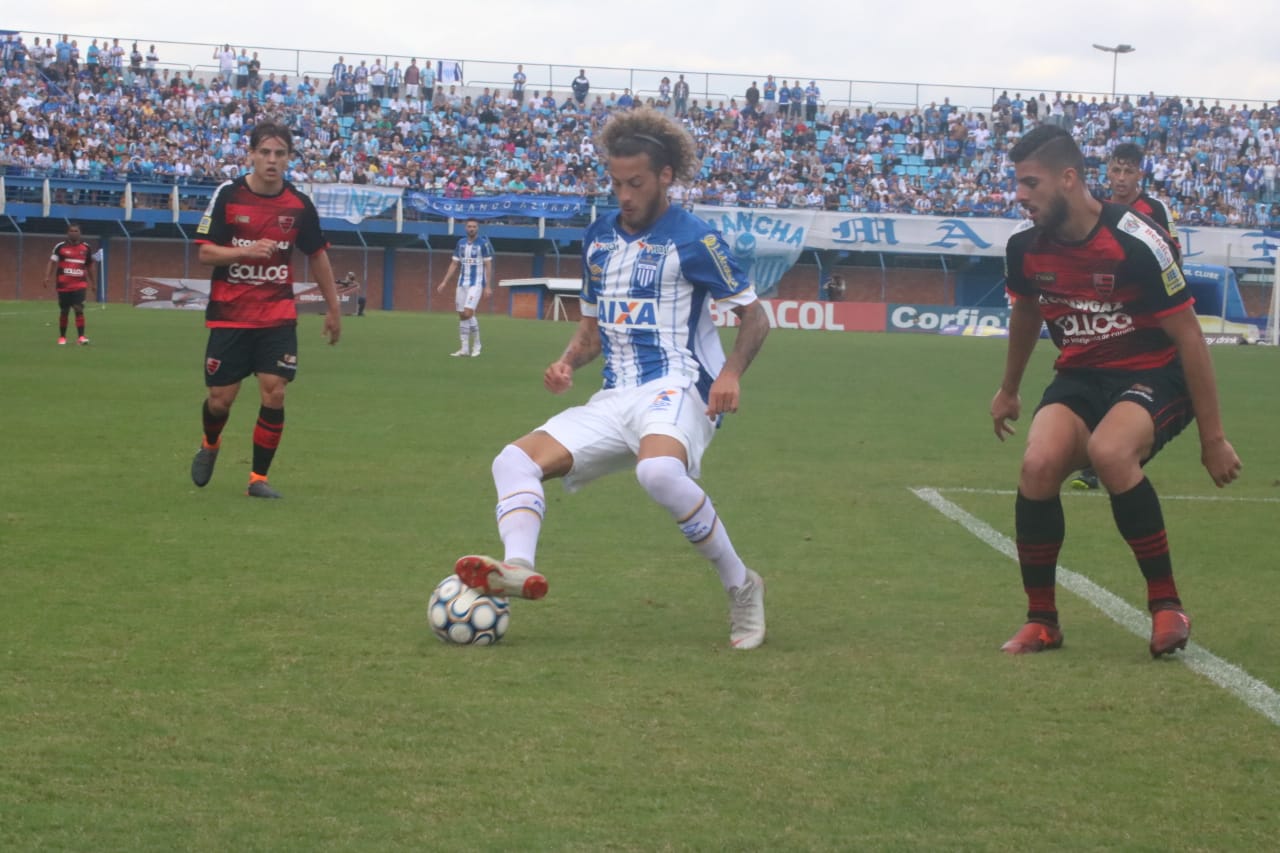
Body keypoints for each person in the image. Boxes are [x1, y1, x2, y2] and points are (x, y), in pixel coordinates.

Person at [451, 108, 772, 650]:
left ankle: (742, 586)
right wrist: (567, 362)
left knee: (659, 474)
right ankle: (516, 572)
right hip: (615, 395)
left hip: (677, 387)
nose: (624, 195)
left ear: (666, 176)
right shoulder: (599, 238)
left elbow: (754, 316)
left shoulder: (695, 239)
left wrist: (732, 374)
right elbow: (593, 329)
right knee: (513, 461)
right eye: (616, 182)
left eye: (636, 184)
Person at [991, 124, 1241, 658]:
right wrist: (1009, 388)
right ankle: (1042, 621)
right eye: (1017, 183)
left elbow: (1190, 337)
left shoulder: (1136, 240)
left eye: (1030, 183)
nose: (1020, 195)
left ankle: (1166, 606)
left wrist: (1213, 439)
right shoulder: (1024, 248)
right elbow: (1026, 312)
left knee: (1110, 452)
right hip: (1081, 376)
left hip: (1154, 372)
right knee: (1037, 466)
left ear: (1069, 178)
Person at [189, 121, 342, 499]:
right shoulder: (227, 194)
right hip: (230, 314)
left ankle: (258, 478)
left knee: (274, 392)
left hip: (276, 315)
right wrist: (245, 250)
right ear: (252, 155)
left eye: (280, 154)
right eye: (265, 153)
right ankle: (211, 443)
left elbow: (318, 255)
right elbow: (205, 252)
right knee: (220, 400)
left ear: (289, 158)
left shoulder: (298, 205)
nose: (272, 160)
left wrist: (334, 306)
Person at [1071, 142, 1183, 492]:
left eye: (1128, 171)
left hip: (1147, 311)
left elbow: (1173, 258)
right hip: (1111, 312)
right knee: (1105, 379)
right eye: (1115, 170)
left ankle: (1109, 461)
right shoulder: (1099, 208)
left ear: (1140, 174)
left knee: (1136, 384)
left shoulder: (1155, 209)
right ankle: (1105, 459)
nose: (1120, 178)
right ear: (1107, 170)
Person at [435, 218, 494, 357]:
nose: (471, 228)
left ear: (477, 228)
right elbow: (454, 264)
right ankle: (464, 349)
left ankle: (477, 344)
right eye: (469, 226)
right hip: (462, 283)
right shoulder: (460, 243)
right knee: (462, 315)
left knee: (468, 312)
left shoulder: (483, 244)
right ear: (465, 228)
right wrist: (444, 282)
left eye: (474, 226)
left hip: (476, 283)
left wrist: (488, 286)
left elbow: (488, 265)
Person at [43, 222, 96, 345]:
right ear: (67, 233)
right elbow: (52, 262)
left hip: (80, 284)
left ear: (80, 233)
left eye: (76, 231)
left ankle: (81, 337)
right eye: (71, 231)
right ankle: (62, 337)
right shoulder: (60, 247)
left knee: (78, 309)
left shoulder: (86, 248)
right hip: (63, 284)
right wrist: (47, 277)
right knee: (64, 311)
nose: (73, 233)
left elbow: (90, 266)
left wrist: (94, 283)